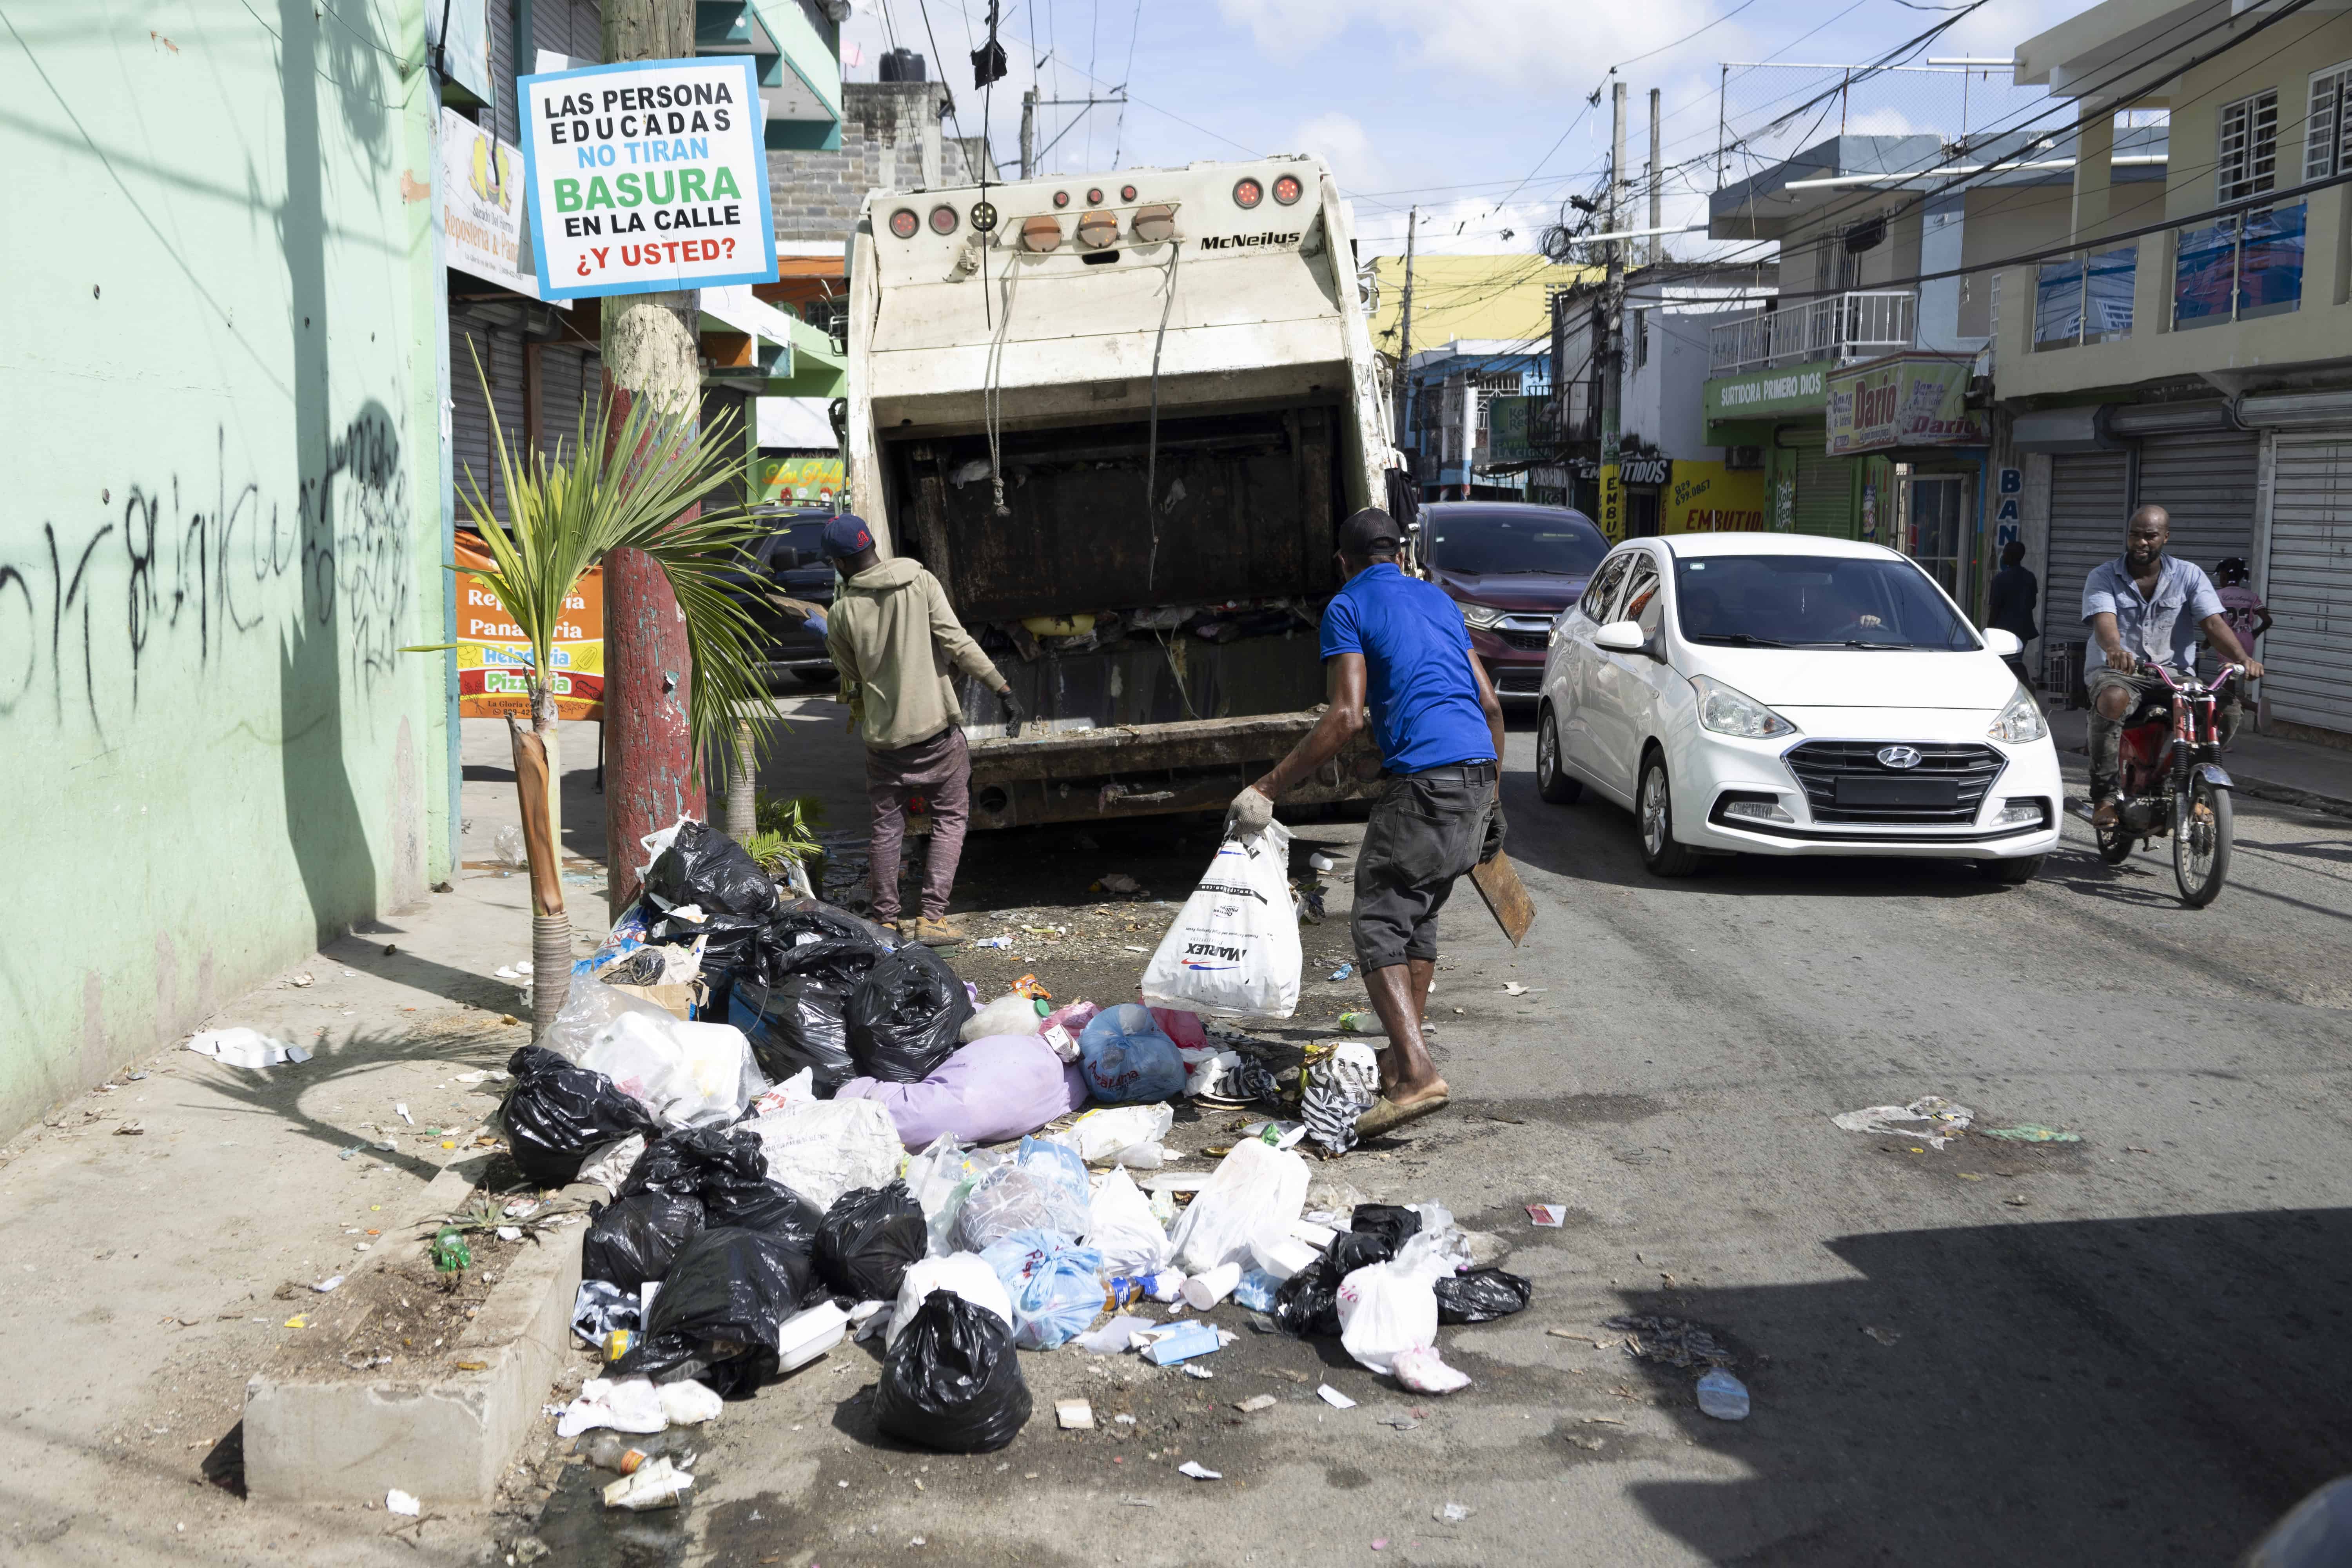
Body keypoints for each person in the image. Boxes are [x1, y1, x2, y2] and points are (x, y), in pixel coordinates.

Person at [1227, 507, 1505, 1138]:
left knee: (1378, 921)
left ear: (1343, 562)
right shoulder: (1437, 602)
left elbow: (1346, 715)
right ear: (1400, 555)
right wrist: (1494, 803)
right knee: (1417, 922)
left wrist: (1268, 786)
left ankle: (1415, 1072)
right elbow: (1489, 704)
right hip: (1475, 776)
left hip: (1426, 785)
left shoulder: (1348, 605)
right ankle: (1401, 1059)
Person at [820, 514, 1024, 946]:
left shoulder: (841, 614)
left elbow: (851, 672)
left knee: (886, 827)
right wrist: (1003, 689)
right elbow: (958, 643)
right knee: (951, 819)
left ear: (839, 563)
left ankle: (885, 921)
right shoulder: (921, 582)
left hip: (885, 742)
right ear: (873, 544)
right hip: (937, 735)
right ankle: (932, 917)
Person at [2082, 505, 2263, 828]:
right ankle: (2105, 797)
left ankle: (2195, 788)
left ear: (2165, 537)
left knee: (2226, 708)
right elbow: (2105, 621)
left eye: (2149, 536)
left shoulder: (2189, 575)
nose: (2141, 542)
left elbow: (2213, 623)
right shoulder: (2103, 576)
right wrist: (2114, 649)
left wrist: (2242, 658)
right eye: (2134, 535)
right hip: (2122, 672)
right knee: (2111, 700)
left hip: (2174, 674)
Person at [1985, 539, 2039, 686]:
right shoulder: (2030, 577)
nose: (2003, 556)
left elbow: (1995, 607)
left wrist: (1989, 629)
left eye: (2005, 553)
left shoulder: (2001, 579)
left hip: (2005, 629)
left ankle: (2024, 685)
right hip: (2024, 628)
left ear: (2010, 556)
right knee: (2015, 659)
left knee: (2010, 661)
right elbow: (2033, 603)